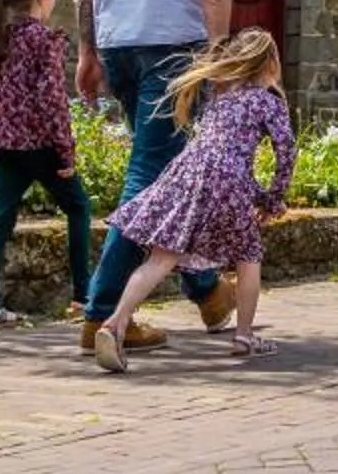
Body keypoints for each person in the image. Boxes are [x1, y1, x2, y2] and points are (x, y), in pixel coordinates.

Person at [74, 0, 237, 357]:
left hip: (119, 42)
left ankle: (207, 288)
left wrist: (88, 51)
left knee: (177, 171)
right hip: (175, 43)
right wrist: (219, 51)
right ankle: (101, 316)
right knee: (150, 178)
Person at [92, 28, 294, 371]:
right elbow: (286, 149)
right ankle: (244, 336)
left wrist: (260, 195)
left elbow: (215, 157)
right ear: (271, 63)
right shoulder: (267, 101)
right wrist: (273, 198)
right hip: (228, 181)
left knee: (160, 257)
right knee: (248, 255)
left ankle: (114, 324)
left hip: (187, 176)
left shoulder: (220, 98)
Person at [0, 0, 92, 327]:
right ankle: (82, 298)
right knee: (78, 206)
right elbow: (52, 100)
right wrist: (65, 150)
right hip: (38, 144)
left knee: (0, 219)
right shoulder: (44, 39)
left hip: (3, 143)